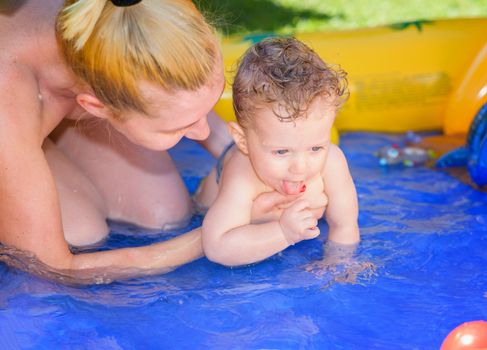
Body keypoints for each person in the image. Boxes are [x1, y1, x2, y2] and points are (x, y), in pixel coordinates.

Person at [0, 0, 286, 283]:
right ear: (97, 107)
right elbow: (55, 267)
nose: (202, 133)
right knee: (79, 232)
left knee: (164, 215)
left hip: (48, 95)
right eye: (178, 127)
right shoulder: (8, 103)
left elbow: (179, 97)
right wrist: (221, 230)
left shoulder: (151, 13)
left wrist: (247, 156)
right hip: (14, 122)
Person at [198, 37, 360, 266]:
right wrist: (283, 232)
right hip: (206, 203)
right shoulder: (241, 174)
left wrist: (337, 265)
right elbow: (217, 247)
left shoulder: (332, 162)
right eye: (282, 151)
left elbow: (345, 225)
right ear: (242, 141)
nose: (301, 167)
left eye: (315, 147)